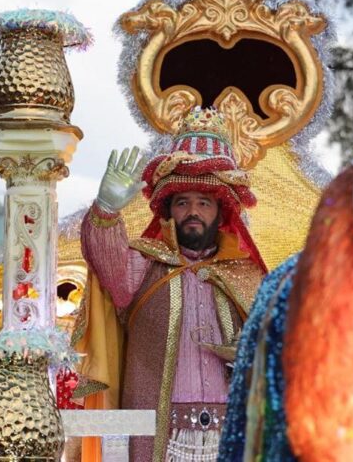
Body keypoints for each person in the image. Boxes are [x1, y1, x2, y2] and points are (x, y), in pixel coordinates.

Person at [80, 107, 267, 462]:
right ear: (169, 211)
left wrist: (248, 351)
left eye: (203, 203)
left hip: (231, 438)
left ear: (221, 211)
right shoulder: (143, 266)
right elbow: (105, 260)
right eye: (183, 203)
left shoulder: (245, 275)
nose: (193, 212)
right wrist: (105, 211)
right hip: (161, 439)